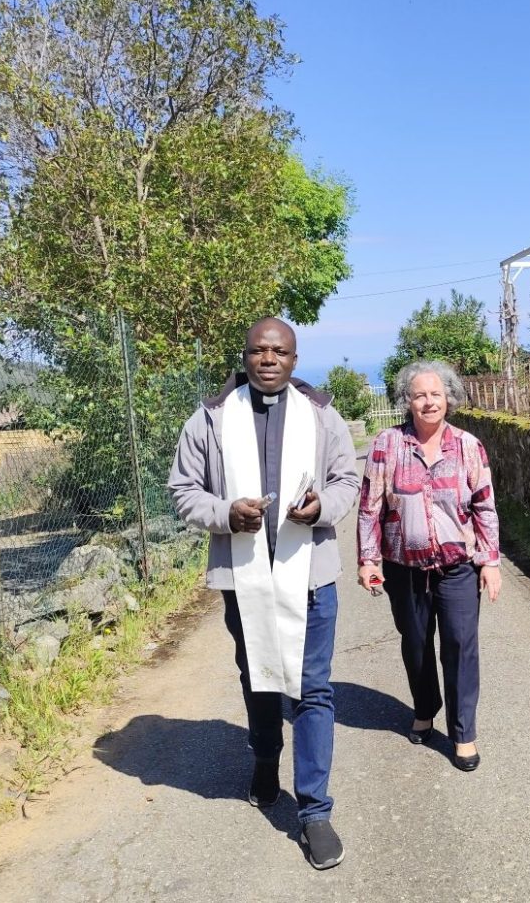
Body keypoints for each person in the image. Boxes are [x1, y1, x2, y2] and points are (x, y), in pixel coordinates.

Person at [168, 317, 359, 870]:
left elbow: (347, 480)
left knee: (312, 690)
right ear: (246, 356)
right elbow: (184, 490)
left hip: (311, 577)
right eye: (259, 350)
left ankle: (315, 812)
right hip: (244, 578)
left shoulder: (323, 416)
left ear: (295, 360)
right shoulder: (209, 419)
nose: (268, 359)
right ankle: (266, 759)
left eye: (280, 351)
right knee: (258, 678)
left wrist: (322, 507)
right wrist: (226, 514)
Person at [356, 360, 501, 772]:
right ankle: (424, 709)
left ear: (449, 399)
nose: (428, 401)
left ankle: (463, 732)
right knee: (416, 644)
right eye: (419, 394)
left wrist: (489, 561)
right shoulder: (387, 444)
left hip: (457, 567)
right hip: (403, 567)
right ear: (407, 401)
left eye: (436, 394)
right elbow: (369, 508)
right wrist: (368, 559)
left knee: (459, 645)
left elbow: (485, 506)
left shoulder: (468, 446)